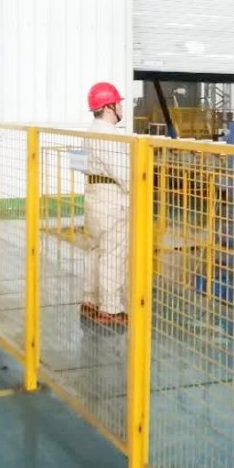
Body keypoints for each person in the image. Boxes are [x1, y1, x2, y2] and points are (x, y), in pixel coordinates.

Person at [81, 82, 131, 326]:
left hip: (93, 194)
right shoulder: (110, 135)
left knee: (95, 250)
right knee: (113, 253)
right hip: (112, 198)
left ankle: (90, 301)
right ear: (109, 106)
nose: (121, 107)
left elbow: (82, 164)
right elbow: (124, 173)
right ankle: (111, 309)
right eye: (118, 103)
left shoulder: (90, 131)